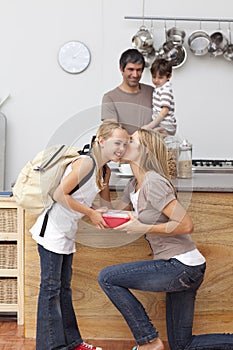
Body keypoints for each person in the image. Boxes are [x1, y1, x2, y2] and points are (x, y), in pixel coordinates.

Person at [98, 129, 233, 350]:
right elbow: (113, 212)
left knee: (108, 278)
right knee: (182, 345)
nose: (124, 144)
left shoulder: (153, 182)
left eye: (131, 141)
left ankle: (148, 341)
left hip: (181, 266)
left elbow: (186, 224)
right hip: (182, 267)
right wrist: (105, 179)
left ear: (146, 151)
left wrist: (144, 226)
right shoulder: (134, 184)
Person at [30, 120, 129, 350]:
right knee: (50, 289)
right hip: (51, 231)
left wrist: (133, 191)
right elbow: (58, 194)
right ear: (101, 141)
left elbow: (105, 205)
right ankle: (50, 347)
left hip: (67, 233)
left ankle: (73, 343)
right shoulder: (86, 163)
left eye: (125, 144)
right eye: (117, 143)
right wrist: (91, 213)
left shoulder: (104, 170)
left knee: (63, 288)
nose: (121, 149)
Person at [101, 48, 153, 134]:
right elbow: (111, 133)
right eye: (131, 69)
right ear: (122, 69)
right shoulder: (110, 98)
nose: (135, 75)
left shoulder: (152, 92)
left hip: (152, 146)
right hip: (124, 146)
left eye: (139, 70)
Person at [142, 58, 177, 137]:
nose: (156, 80)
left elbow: (165, 110)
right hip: (162, 124)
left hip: (166, 125)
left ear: (169, 76)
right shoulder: (160, 88)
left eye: (160, 78)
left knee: (150, 137)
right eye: (154, 77)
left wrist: (151, 125)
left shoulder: (165, 90)